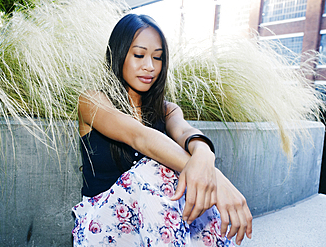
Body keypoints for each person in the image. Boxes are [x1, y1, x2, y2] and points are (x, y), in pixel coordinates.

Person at [72, 14, 252, 246]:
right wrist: (218, 179)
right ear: (119, 55)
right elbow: (140, 137)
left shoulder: (167, 110)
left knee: (187, 176)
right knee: (155, 165)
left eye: (157, 58)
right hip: (101, 226)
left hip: (155, 228)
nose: (149, 66)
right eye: (139, 55)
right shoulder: (92, 101)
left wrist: (206, 156)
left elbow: (186, 133)